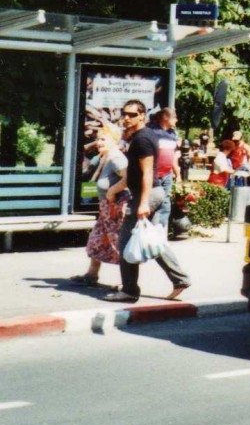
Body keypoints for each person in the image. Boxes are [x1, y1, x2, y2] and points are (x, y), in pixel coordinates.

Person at [103, 100, 191, 303]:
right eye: (124, 113)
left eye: (132, 114)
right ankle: (180, 279)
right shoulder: (141, 136)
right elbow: (134, 173)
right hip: (153, 193)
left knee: (126, 241)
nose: (126, 118)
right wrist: (117, 189)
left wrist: (143, 203)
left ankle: (129, 291)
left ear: (142, 116)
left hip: (149, 194)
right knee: (151, 240)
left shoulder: (142, 139)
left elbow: (147, 174)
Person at [71, 126, 128, 287]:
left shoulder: (117, 158)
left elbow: (129, 177)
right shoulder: (106, 157)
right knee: (97, 239)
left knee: (117, 243)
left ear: (114, 140)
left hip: (116, 208)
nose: (98, 142)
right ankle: (91, 275)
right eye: (98, 138)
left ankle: (127, 283)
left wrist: (113, 191)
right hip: (107, 208)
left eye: (103, 139)